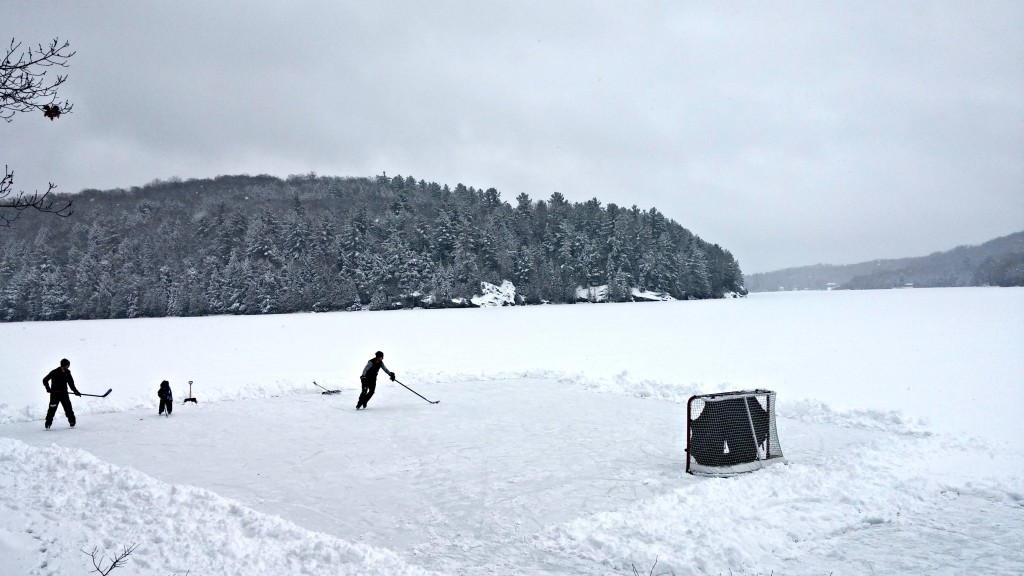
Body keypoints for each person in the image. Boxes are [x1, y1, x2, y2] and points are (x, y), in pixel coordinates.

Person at [43, 358, 80, 429]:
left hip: (64, 394)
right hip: (55, 394)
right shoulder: (54, 372)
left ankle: (72, 422)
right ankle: (48, 423)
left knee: (68, 408)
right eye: (68, 365)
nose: (68, 366)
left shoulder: (68, 373)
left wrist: (75, 391)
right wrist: (48, 388)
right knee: (52, 409)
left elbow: (71, 383)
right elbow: (45, 380)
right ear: (64, 365)